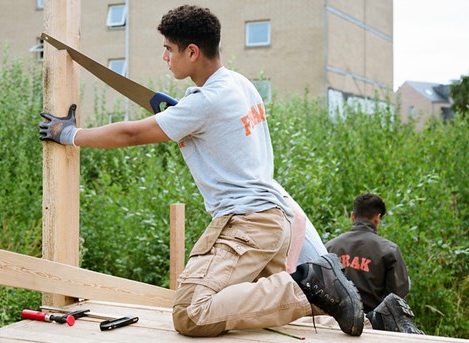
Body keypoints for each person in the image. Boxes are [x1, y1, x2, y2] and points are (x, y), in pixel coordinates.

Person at [39, 5, 363, 337]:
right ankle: (378, 319)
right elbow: (223, 135)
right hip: (272, 219)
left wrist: (68, 134)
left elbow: (132, 133)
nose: (165, 56)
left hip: (248, 223)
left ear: (192, 52)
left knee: (192, 312)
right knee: (266, 311)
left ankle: (311, 286)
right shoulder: (240, 84)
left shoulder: (206, 102)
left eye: (169, 48)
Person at [326, 193, 423, 334]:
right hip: (371, 327)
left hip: (332, 324)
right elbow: (397, 296)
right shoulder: (389, 251)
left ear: (352, 216)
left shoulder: (330, 246)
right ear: (377, 218)